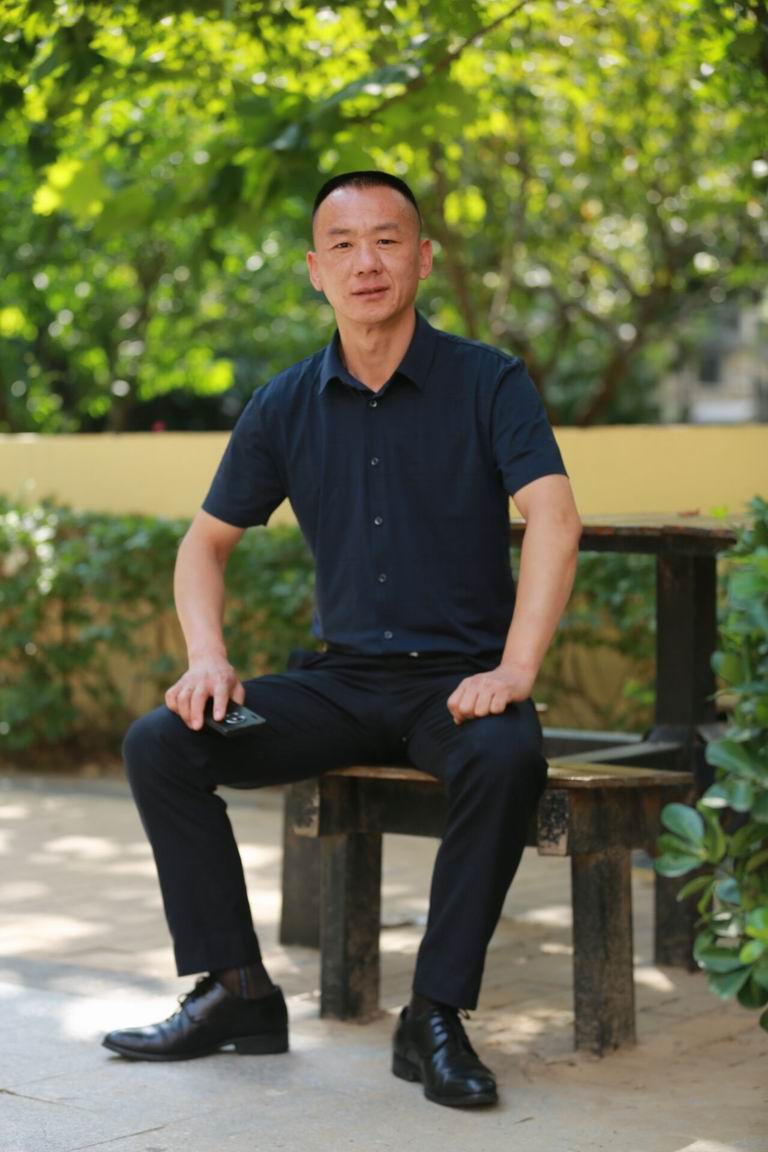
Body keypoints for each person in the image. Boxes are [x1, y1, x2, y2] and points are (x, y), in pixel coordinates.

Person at [101, 170, 582, 1109]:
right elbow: (204, 545)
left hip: (456, 690)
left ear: (423, 258)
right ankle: (237, 991)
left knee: (506, 756)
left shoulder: (489, 381)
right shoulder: (284, 402)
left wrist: (514, 669)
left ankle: (433, 1015)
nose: (367, 262)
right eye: (344, 245)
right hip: (340, 687)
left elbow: (554, 519)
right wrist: (207, 657)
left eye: (387, 240)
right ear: (315, 270)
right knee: (163, 742)